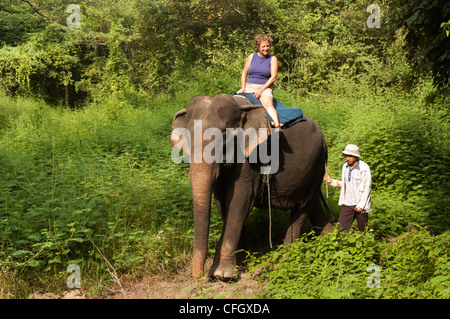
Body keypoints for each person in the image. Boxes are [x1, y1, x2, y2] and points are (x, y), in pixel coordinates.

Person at [324, 144, 372, 232]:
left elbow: (367, 188)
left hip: (360, 204)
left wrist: (360, 206)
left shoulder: (364, 168)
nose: (347, 158)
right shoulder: (345, 167)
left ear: (356, 156)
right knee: (341, 229)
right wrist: (331, 181)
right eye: (346, 156)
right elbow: (346, 183)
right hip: (348, 204)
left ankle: (365, 244)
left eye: (350, 156)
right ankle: (341, 245)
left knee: (363, 231)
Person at [239, 34, 282, 129]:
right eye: (263, 46)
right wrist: (243, 87)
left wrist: (261, 89)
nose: (266, 48)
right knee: (233, 102)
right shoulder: (252, 56)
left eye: (268, 46)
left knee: (267, 104)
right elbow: (244, 72)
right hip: (249, 85)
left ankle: (277, 126)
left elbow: (273, 77)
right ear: (258, 47)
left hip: (264, 86)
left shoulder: (273, 59)